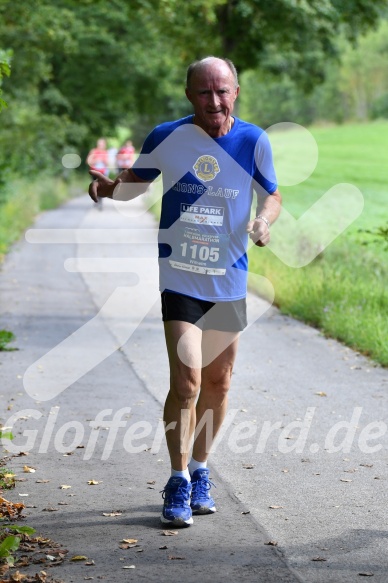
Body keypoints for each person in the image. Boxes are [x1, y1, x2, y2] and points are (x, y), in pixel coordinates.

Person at [88, 56, 282, 527]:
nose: (213, 101)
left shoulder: (253, 140)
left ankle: (200, 470)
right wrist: (106, 191)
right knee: (188, 381)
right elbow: (133, 189)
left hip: (229, 280)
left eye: (222, 91)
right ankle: (176, 480)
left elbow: (271, 194)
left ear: (235, 91)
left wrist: (263, 221)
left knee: (219, 383)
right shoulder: (166, 137)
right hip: (180, 277)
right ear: (188, 93)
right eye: (203, 92)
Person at [87, 138, 109, 210]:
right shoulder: (93, 151)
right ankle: (96, 199)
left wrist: (103, 160)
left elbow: (108, 163)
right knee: (95, 187)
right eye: (100, 144)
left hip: (102, 173)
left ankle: (100, 202)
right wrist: (95, 161)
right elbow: (88, 161)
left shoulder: (105, 152)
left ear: (104, 145)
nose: (101, 145)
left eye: (102, 144)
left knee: (101, 187)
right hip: (94, 172)